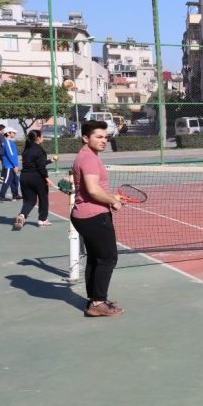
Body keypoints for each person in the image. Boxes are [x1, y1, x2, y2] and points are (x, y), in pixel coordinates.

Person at [70, 120, 124, 317]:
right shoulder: (89, 159)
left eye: (105, 137)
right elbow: (92, 190)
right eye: (99, 137)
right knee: (108, 258)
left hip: (83, 215)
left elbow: (91, 188)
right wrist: (113, 201)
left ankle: (95, 298)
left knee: (95, 258)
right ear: (85, 138)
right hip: (93, 216)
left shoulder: (86, 156)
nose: (104, 141)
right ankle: (98, 302)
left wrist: (110, 198)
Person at [14, 129, 54, 229]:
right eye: (42, 136)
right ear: (38, 138)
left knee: (29, 200)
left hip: (24, 177)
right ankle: (42, 220)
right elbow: (40, 167)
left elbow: (34, 163)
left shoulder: (26, 150)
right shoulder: (40, 150)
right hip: (37, 178)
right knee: (43, 199)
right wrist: (47, 179)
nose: (43, 138)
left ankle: (22, 215)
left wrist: (49, 161)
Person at [0, 130, 21, 202]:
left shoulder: (11, 142)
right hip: (9, 166)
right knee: (7, 181)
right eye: (13, 132)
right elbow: (11, 154)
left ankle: (15, 195)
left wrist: (15, 165)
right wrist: (15, 165)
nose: (14, 134)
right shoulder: (7, 142)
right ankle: (0, 197)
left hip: (12, 165)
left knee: (15, 181)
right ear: (8, 133)